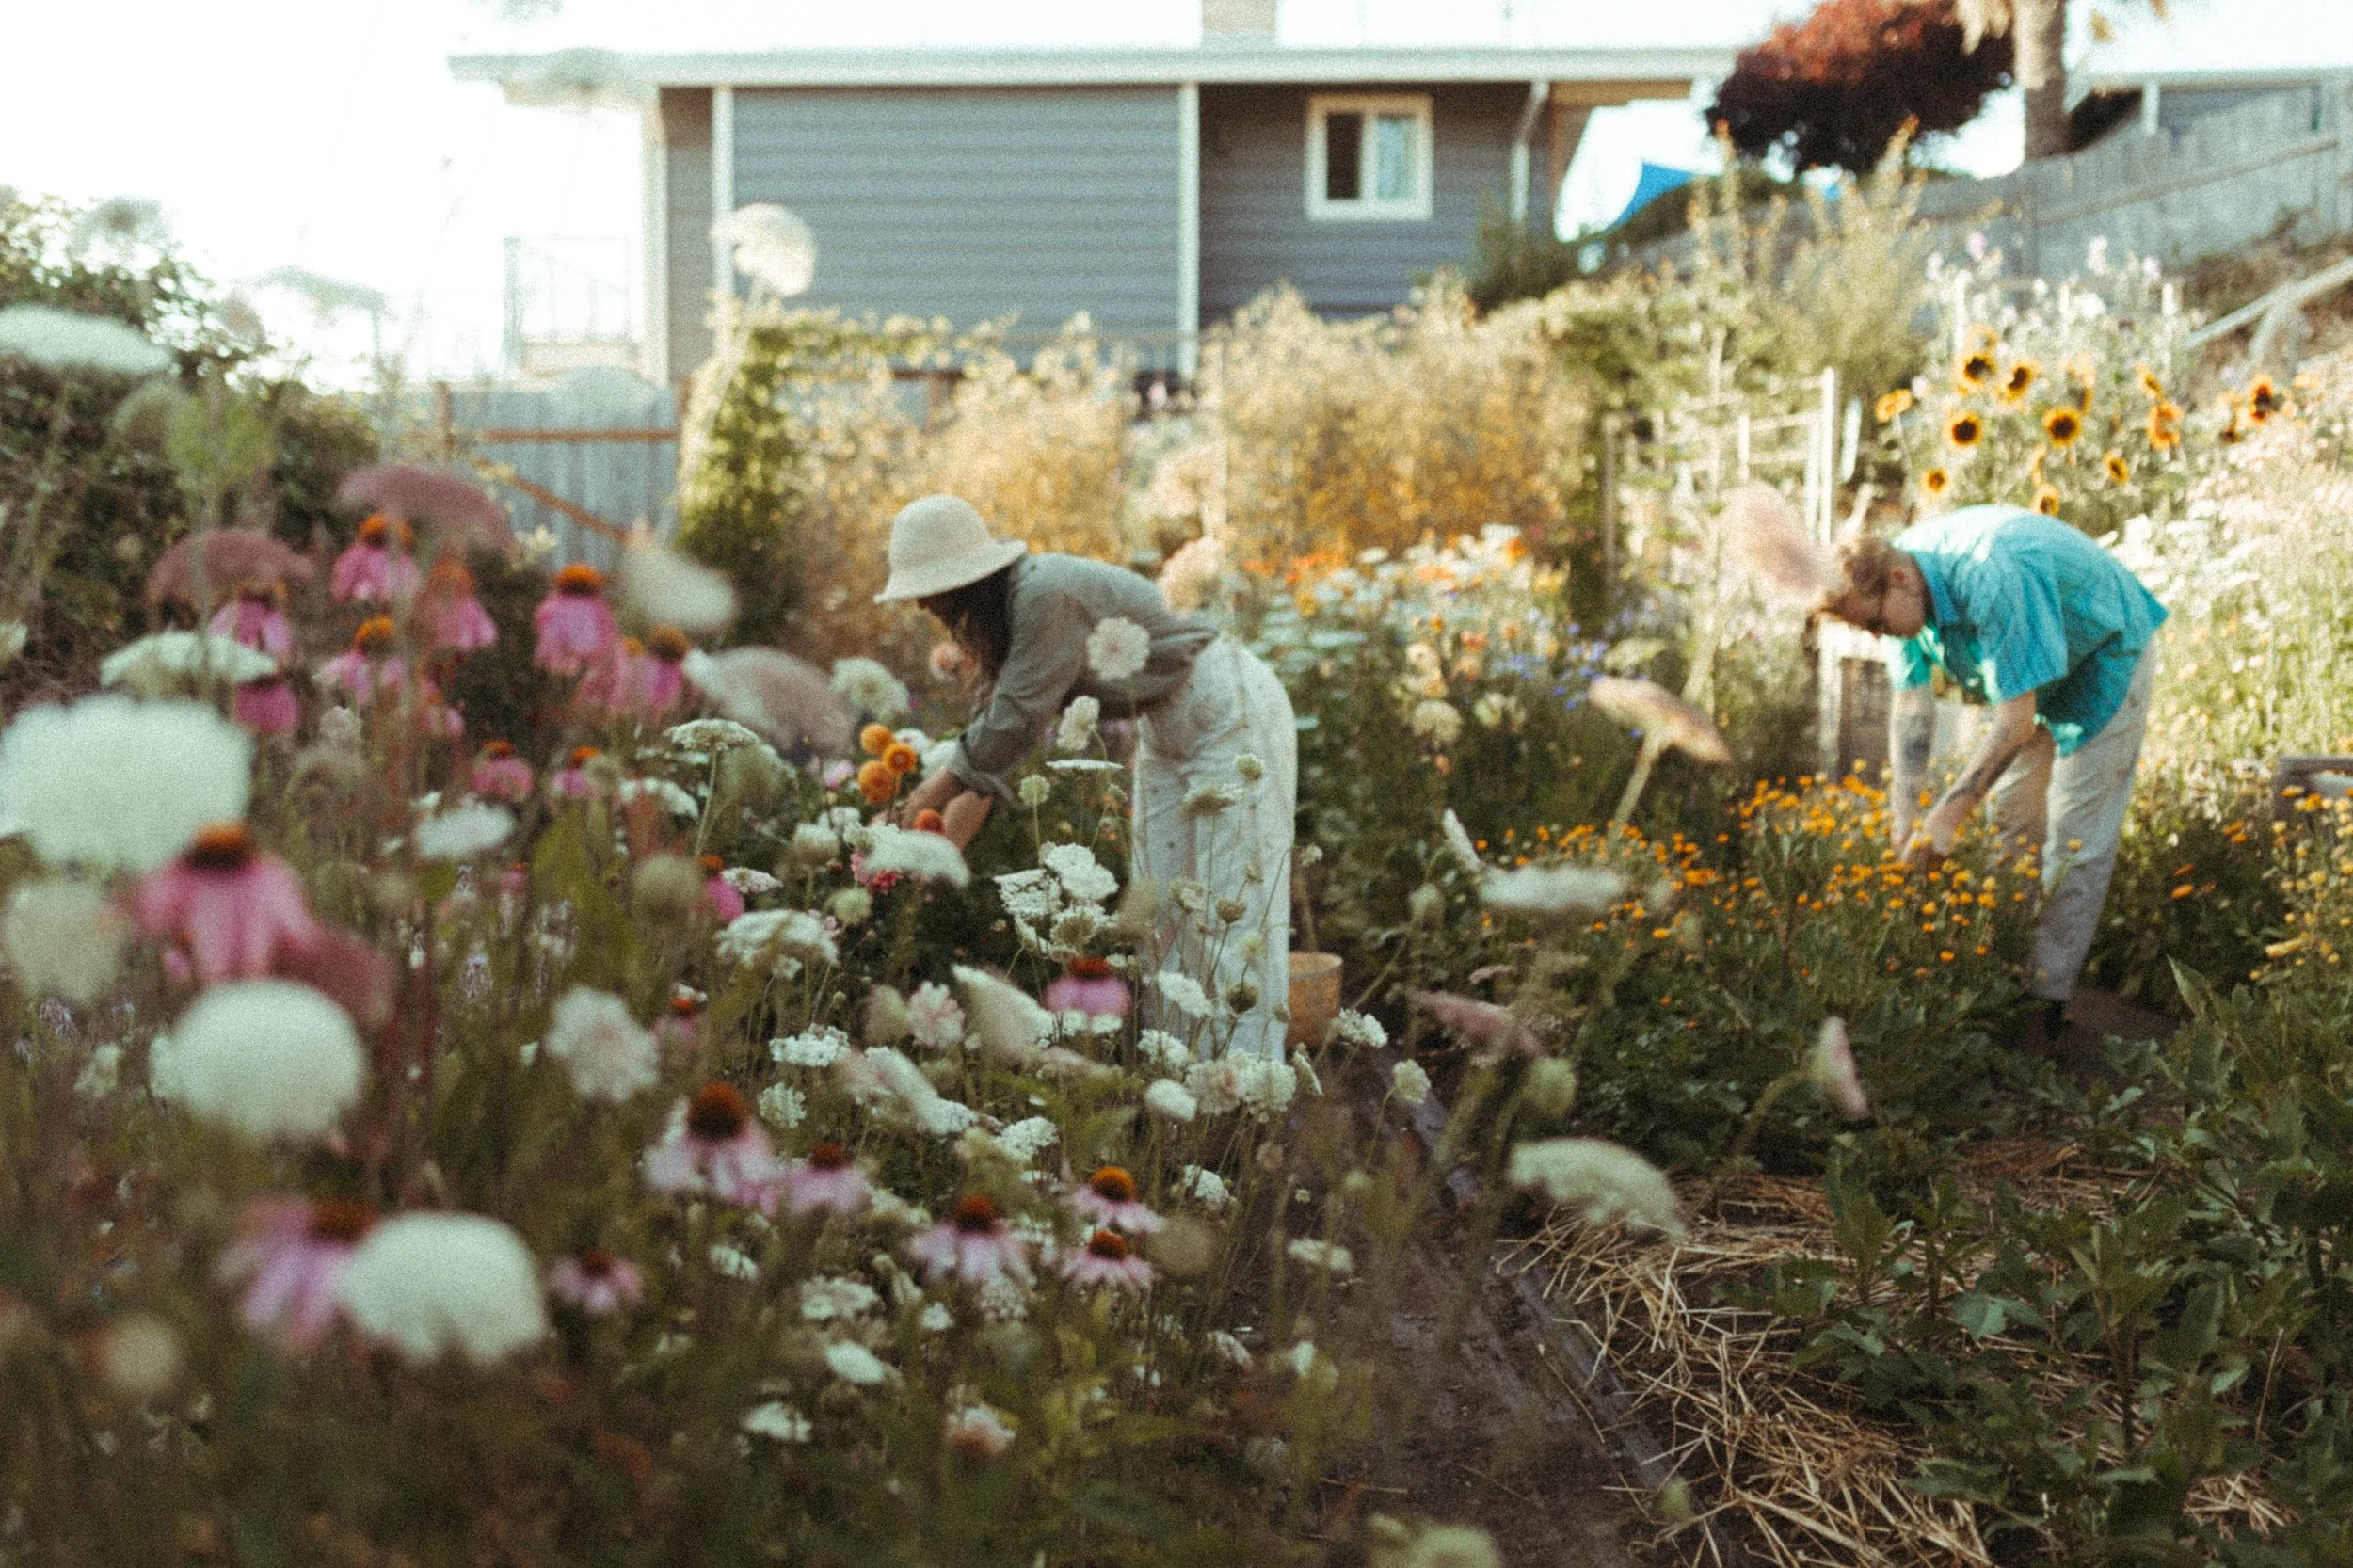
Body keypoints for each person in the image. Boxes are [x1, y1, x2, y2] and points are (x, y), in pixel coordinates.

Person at [876, 494, 1299, 1059]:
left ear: (963, 579)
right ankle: (1182, 1086)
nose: (924, 603)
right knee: (1162, 912)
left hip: (1230, 715)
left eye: (927, 589)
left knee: (1232, 910)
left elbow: (1015, 722)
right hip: (1168, 728)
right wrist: (938, 850)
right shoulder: (1008, 618)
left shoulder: (1045, 594)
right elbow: (990, 753)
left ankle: (1247, 1091)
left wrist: (926, 794)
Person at [1816, 502, 2167, 1058]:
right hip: (2033, 673)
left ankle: (2043, 1009)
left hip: (2104, 653)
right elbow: (1911, 709)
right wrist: (1905, 819)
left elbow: (2014, 723)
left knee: (2075, 837)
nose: (1880, 637)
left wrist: (1948, 814)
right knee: (2012, 823)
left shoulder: (1990, 575)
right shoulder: (1901, 583)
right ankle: (2004, 979)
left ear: (1901, 580)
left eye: (1877, 624)